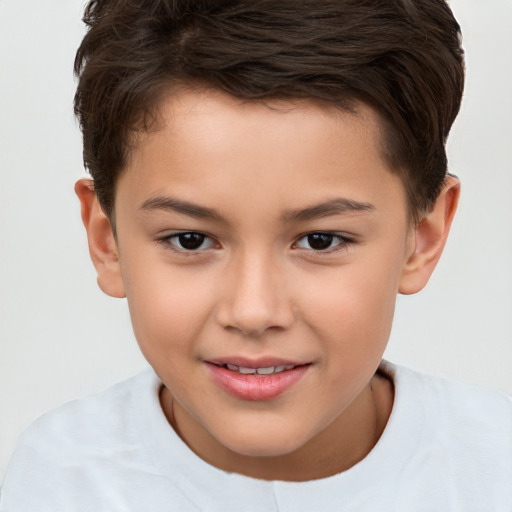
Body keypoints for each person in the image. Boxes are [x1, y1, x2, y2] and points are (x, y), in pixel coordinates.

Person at [1, 0, 511, 510]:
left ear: (421, 236)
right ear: (106, 240)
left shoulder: (494, 469)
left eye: (320, 240)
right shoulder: (58, 480)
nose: (253, 311)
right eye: (190, 240)